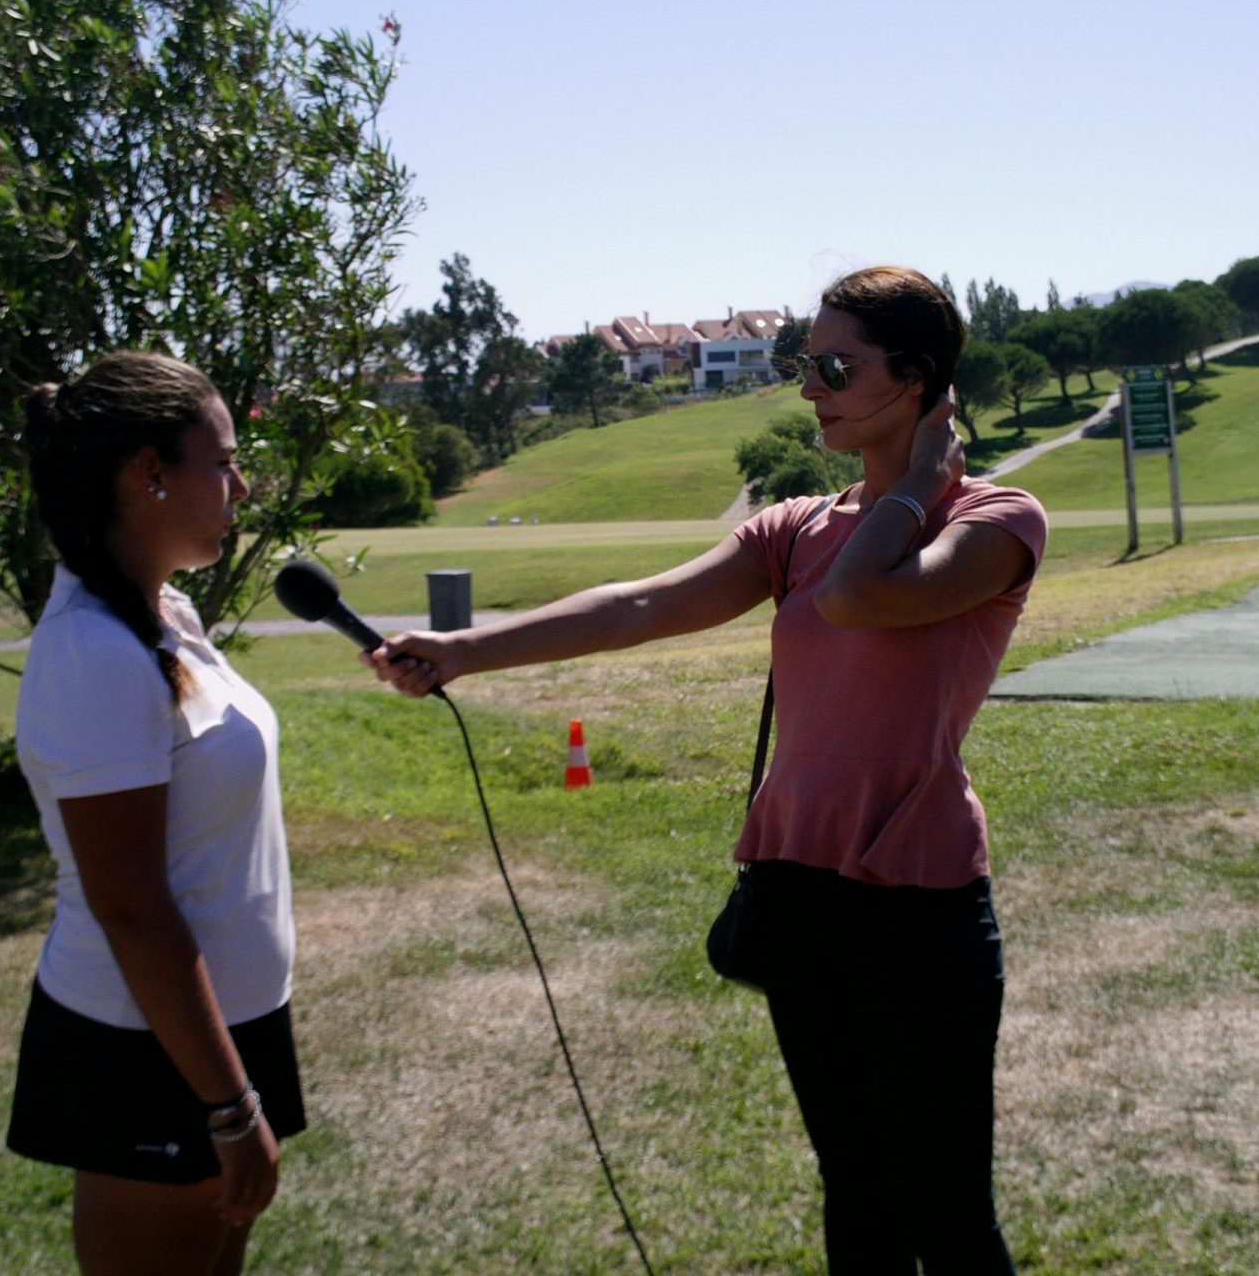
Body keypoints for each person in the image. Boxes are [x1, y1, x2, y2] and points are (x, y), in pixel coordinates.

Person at [364, 265, 1047, 1272]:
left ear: (916, 378)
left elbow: (863, 598)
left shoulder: (996, 524)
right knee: (856, 1188)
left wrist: (908, 488)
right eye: (801, 363)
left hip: (922, 913)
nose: (807, 386)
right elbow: (641, 605)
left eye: (830, 365)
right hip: (801, 899)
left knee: (945, 1211)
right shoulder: (797, 531)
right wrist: (469, 649)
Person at [5, 351, 304, 1276]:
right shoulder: (95, 652)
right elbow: (130, 908)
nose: (241, 484)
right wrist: (228, 1107)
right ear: (149, 473)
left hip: (222, 1027)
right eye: (221, 461)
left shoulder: (161, 615)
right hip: (151, 1050)